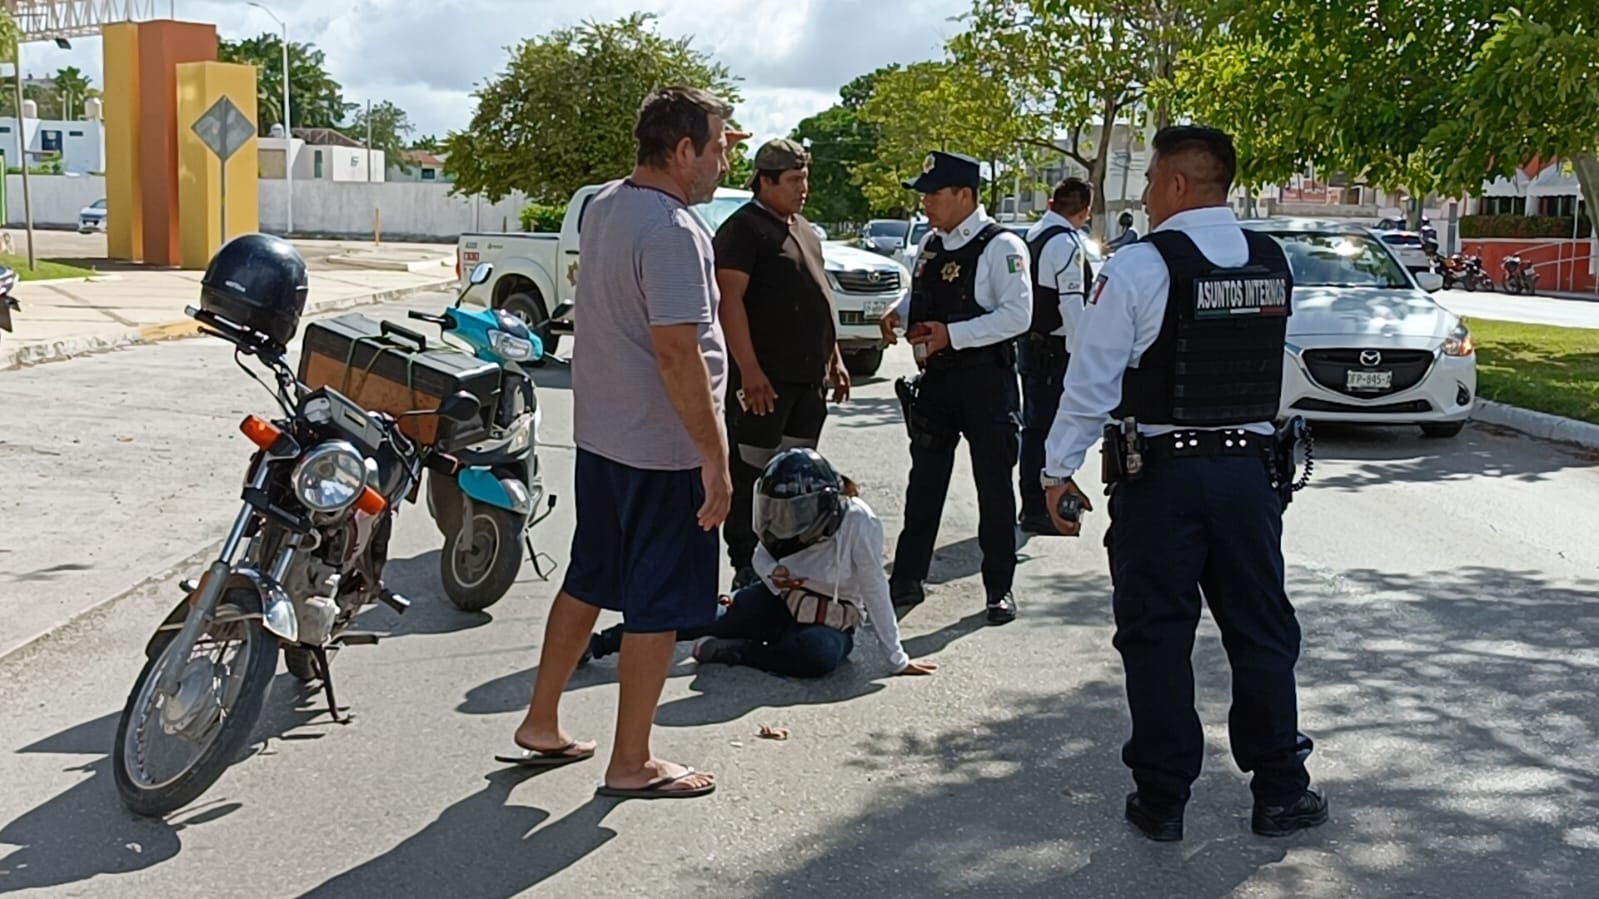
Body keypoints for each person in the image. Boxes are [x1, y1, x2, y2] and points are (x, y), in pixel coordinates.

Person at [1040, 124, 1327, 841]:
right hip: (1248, 477)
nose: (1144, 195)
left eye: (1147, 182)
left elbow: (1091, 380)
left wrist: (1055, 468)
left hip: (1161, 478)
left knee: (1157, 636)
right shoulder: (1272, 259)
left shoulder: (1139, 267)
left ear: (1173, 184)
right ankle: (1281, 790)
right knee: (1261, 633)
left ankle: (1162, 799)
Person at [499, 86, 749, 801]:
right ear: (682, 151)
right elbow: (677, 353)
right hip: (661, 449)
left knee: (589, 577)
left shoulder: (605, 204)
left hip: (606, 439)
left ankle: (541, 720)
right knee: (657, 607)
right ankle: (630, 760)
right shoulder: (673, 230)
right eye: (718, 144)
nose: (724, 156)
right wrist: (714, 458)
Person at [585, 448, 939, 679]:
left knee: (819, 656)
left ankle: (742, 651)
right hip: (778, 598)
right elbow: (762, 554)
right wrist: (774, 574)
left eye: (794, 513)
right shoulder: (782, 526)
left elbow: (876, 588)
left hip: (829, 614)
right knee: (696, 615)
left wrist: (898, 658)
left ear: (824, 506)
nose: (783, 522)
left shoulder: (859, 523)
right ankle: (598, 644)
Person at [878, 150, 1031, 625]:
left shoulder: (1001, 247)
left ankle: (999, 587)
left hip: (986, 382)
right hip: (938, 381)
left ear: (965, 195)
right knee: (924, 484)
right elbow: (918, 292)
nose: (925, 202)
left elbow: (1018, 315)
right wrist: (898, 313)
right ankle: (906, 578)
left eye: (933, 193)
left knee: (993, 488)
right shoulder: (930, 242)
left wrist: (953, 335)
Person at [714, 138, 851, 591]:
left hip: (808, 382)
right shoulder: (744, 230)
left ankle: (789, 561)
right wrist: (749, 370)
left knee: (796, 477)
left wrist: (834, 358)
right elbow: (728, 302)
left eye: (805, 178)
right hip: (763, 382)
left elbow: (815, 296)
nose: (803, 187)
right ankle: (743, 564)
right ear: (765, 180)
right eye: (793, 180)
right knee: (753, 472)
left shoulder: (804, 229)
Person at [1017, 177, 1094, 535]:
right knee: (1046, 430)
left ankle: (1033, 504)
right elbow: (1072, 306)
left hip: (1031, 344)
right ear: (1084, 212)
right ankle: (1040, 508)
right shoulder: (1066, 244)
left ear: (1051, 203)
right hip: (1053, 350)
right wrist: (1083, 358)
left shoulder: (1032, 236)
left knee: (1035, 428)